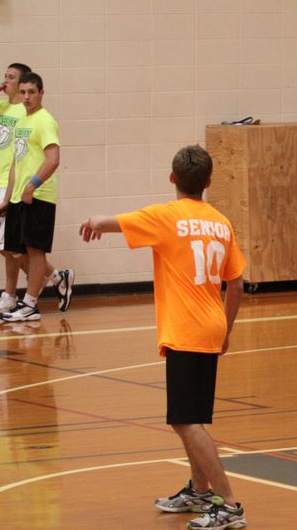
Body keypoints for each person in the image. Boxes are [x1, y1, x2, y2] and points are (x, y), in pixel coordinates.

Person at [79, 145, 247, 530]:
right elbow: (236, 284)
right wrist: (226, 328)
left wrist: (92, 221)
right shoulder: (221, 222)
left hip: (186, 330)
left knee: (185, 421)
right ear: (208, 181)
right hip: (211, 326)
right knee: (194, 417)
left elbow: (109, 222)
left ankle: (229, 505)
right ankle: (200, 491)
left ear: (173, 178)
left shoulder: (166, 217)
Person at [0, 63, 74, 315]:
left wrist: (30, 186)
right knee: (6, 245)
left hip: (22, 186)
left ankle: (22, 294)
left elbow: (51, 158)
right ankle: (52, 278)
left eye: (11, 78)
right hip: (4, 183)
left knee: (17, 247)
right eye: (6, 78)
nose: (5, 82)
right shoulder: (2, 108)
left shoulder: (33, 115)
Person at [0, 72, 70, 322]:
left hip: (39, 195)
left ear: (41, 93)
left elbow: (53, 159)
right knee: (16, 250)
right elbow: (16, 163)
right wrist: (9, 198)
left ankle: (29, 304)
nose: (27, 97)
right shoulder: (21, 121)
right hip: (20, 197)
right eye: (23, 92)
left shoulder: (45, 121)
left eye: (32, 92)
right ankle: (58, 278)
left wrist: (31, 186)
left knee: (35, 251)